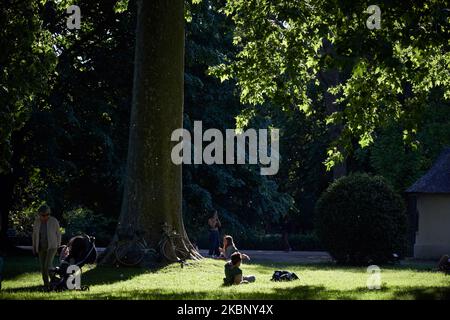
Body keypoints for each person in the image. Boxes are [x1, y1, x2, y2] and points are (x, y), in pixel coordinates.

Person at [32, 205, 61, 287]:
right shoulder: (36, 222)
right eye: (44, 215)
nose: (46, 216)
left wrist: (58, 246)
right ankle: (47, 285)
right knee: (43, 268)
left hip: (52, 247)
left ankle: (54, 280)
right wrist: (34, 247)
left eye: (48, 214)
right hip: (41, 247)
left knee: (47, 266)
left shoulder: (54, 221)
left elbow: (58, 234)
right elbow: (34, 235)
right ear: (39, 214)